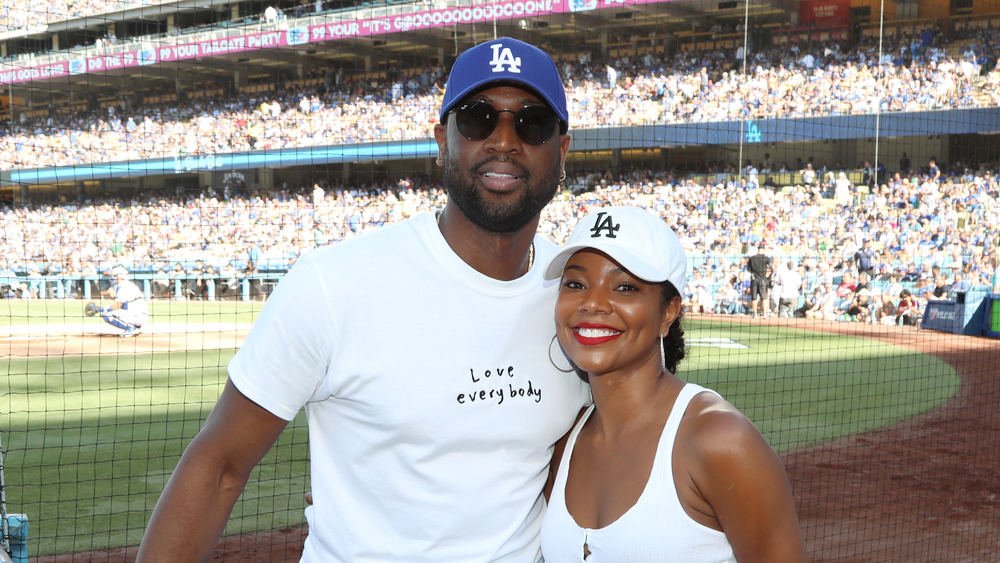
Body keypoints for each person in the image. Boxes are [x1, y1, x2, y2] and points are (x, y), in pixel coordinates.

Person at [137, 37, 591, 562]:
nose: (504, 141)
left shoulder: (580, 295)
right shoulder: (333, 284)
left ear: (563, 150)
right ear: (442, 140)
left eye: (531, 122)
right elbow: (219, 466)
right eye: (477, 118)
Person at [539, 207, 805, 561]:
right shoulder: (564, 442)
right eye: (575, 284)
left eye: (625, 287)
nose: (593, 303)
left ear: (668, 312)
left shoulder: (720, 439)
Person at [98, 265, 149, 338]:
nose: (113, 278)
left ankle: (131, 328)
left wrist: (104, 309)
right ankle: (136, 328)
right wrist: (114, 297)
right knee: (109, 312)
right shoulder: (128, 284)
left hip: (138, 316)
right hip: (140, 315)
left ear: (118, 277)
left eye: (114, 276)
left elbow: (117, 306)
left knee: (106, 314)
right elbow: (124, 305)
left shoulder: (123, 287)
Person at [747, 243, 772, 318]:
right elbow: (771, 268)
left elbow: (748, 269)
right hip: (762, 279)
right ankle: (764, 314)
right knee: (764, 297)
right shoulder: (766, 258)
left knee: (754, 297)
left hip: (754, 279)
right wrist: (768, 276)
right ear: (763, 250)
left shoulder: (751, 258)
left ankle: (755, 314)